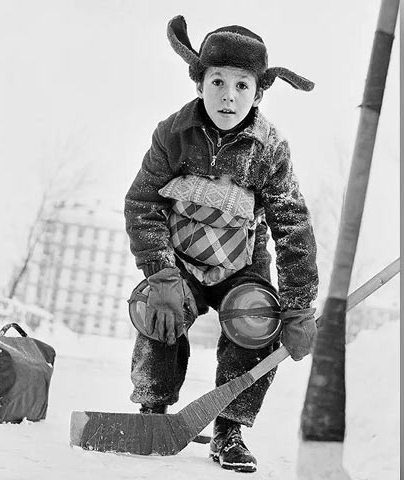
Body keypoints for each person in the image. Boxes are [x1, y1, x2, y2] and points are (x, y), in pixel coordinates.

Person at [124, 15, 319, 473]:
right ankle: (153, 412)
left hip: (241, 265)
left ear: (257, 92)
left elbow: (292, 225)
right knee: (158, 312)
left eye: (241, 86)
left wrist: (297, 306)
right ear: (199, 83)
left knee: (257, 322)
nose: (228, 96)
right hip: (182, 262)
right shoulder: (172, 134)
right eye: (217, 82)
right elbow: (142, 202)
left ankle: (229, 429)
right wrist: (161, 272)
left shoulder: (270, 149)